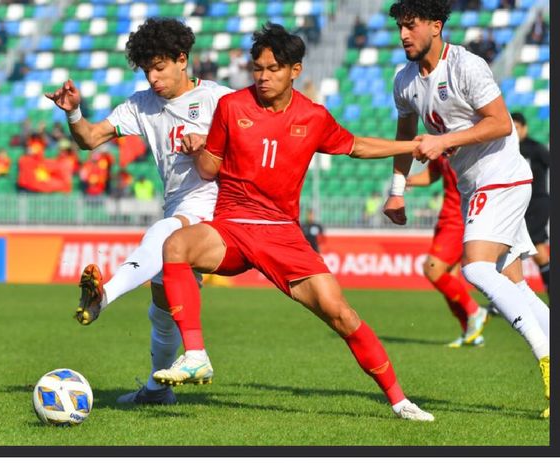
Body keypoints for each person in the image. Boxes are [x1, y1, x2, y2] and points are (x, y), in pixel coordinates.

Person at [153, 23, 434, 421]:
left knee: (342, 315)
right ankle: (196, 354)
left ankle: (400, 401)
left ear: (295, 71)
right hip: (231, 225)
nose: (264, 77)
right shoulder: (231, 107)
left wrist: (412, 145)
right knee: (175, 245)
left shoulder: (313, 116)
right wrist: (199, 148)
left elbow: (357, 146)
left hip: (282, 233)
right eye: (257, 69)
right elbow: (210, 169)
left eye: (273, 69)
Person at [45, 18, 233, 405]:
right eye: (147, 69)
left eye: (160, 67)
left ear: (183, 60)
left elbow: (252, 144)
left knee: (165, 232)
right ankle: (157, 390)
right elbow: (90, 139)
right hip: (179, 202)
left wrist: (208, 144)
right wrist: (74, 114)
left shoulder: (220, 99)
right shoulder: (142, 104)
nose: (153, 77)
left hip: (218, 204)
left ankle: (104, 298)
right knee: (162, 312)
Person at [383, 0, 549, 418]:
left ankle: (547, 360)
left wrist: (444, 141)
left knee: (475, 268)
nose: (404, 35)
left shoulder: (467, 66)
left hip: (501, 176)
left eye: (411, 26)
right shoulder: (404, 80)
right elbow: (406, 136)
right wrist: (397, 189)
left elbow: (500, 123)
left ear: (436, 26)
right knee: (517, 285)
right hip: (476, 184)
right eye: (400, 27)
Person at [406, 158, 487, 347]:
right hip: (446, 218)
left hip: (459, 219)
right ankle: (471, 332)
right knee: (451, 277)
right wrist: (409, 180)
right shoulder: (441, 146)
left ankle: (475, 311)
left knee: (432, 268)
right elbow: (433, 173)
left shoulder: (464, 145)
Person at [511, 112, 550, 295]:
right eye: (512, 127)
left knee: (513, 246)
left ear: (524, 128)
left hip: (536, 204)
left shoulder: (535, 148)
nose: (514, 131)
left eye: (517, 127)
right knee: (540, 252)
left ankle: (512, 295)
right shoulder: (507, 149)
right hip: (519, 205)